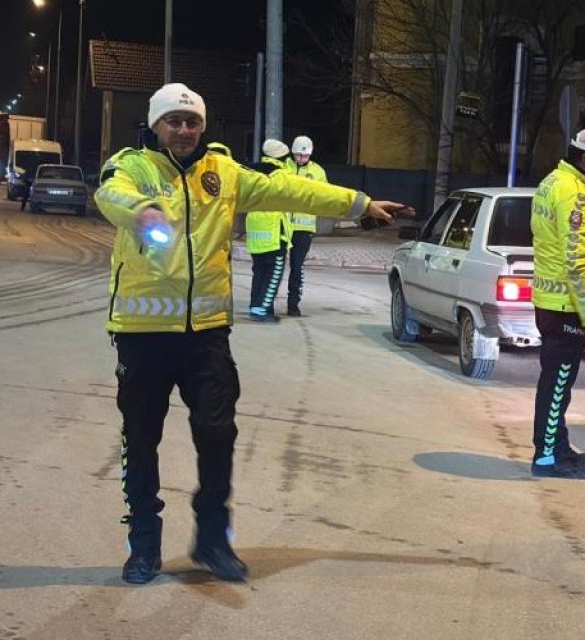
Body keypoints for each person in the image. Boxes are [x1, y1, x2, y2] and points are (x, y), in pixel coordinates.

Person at [96, 83, 410, 584]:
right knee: (141, 439)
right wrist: (142, 212)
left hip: (206, 335)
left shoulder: (223, 172)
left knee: (218, 433)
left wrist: (360, 203)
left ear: (203, 126)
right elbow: (110, 193)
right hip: (142, 333)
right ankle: (144, 545)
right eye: (173, 121)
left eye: (192, 121)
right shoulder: (133, 166)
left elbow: (291, 189)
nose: (183, 130)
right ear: (155, 125)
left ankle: (213, 540)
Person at [528, 128, 585, 480]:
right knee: (558, 381)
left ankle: (557, 444)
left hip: (552, 300)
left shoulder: (554, 181)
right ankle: (547, 456)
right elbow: (577, 259)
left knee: (556, 381)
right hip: (566, 305)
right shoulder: (573, 194)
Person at [244, 138, 293, 323]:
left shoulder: (253, 172)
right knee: (273, 272)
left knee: (259, 271)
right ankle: (263, 310)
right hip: (273, 231)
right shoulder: (281, 175)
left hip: (255, 231)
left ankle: (255, 306)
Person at [285, 135, 326, 317]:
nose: (301, 159)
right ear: (293, 153)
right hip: (282, 226)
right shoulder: (284, 167)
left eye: (305, 156)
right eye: (298, 156)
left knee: (297, 267)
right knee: (276, 267)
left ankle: (293, 304)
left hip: (304, 229)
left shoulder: (318, 172)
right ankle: (266, 303)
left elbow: (324, 195)